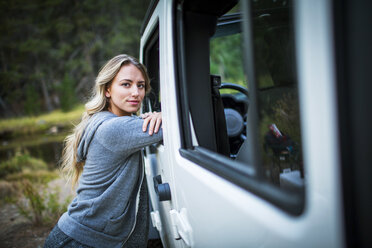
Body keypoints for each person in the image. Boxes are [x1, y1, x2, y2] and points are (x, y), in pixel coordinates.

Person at [44, 54, 163, 248]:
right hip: (79, 242)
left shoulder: (107, 121)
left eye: (140, 85)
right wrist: (163, 115)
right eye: (126, 84)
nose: (136, 92)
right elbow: (178, 124)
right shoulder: (113, 128)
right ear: (107, 90)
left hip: (81, 237)